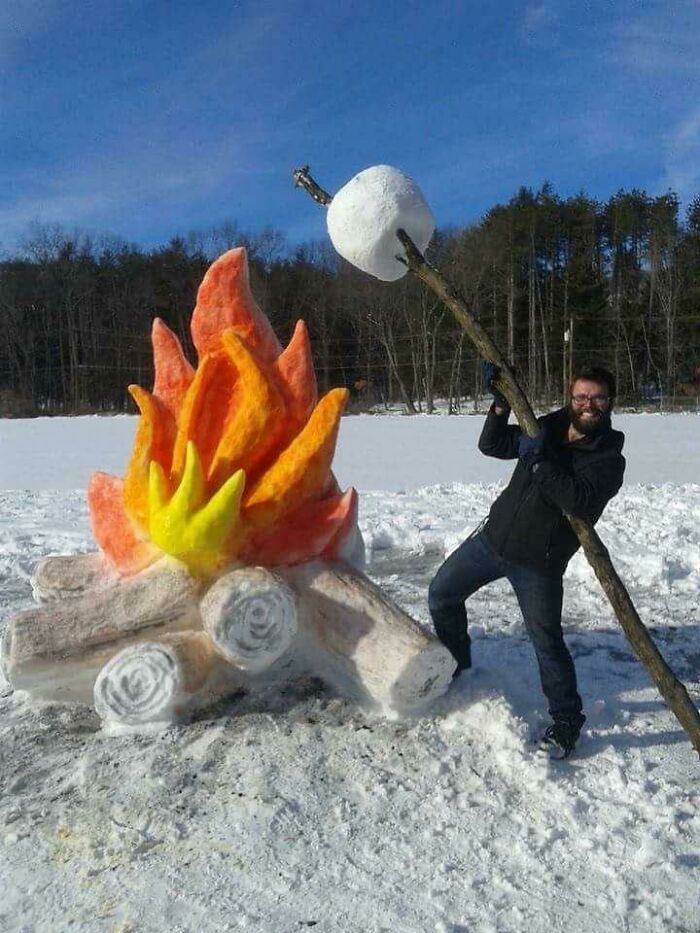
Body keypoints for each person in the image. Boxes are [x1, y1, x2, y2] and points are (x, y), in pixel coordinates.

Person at [428, 364, 625, 758]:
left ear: (610, 402)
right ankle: (458, 666)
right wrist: (501, 407)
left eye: (597, 397)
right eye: (581, 396)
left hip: (540, 562)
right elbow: (493, 446)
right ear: (571, 399)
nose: (588, 404)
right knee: (441, 595)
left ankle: (567, 721)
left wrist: (538, 462)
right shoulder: (546, 428)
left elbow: (576, 499)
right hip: (493, 540)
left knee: (546, 643)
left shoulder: (608, 458)